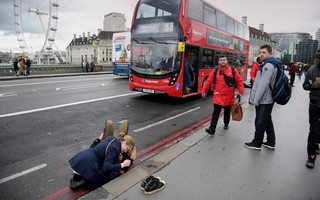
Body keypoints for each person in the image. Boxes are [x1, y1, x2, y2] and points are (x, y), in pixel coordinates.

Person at [69, 120, 135, 189]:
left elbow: (93, 150)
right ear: (124, 143)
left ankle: (121, 124)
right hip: (109, 154)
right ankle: (122, 124)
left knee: (111, 127)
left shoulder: (111, 139)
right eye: (127, 149)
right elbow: (106, 167)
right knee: (105, 176)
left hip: (94, 154)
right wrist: (123, 164)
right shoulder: (115, 149)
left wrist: (98, 141)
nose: (125, 151)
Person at [245, 44, 281, 150]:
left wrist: (255, 100)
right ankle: (271, 141)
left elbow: (262, 85)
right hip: (268, 98)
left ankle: (256, 143)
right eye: (260, 52)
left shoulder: (268, 66)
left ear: (270, 53)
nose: (261, 54)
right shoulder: (272, 64)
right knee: (267, 120)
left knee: (260, 122)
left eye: (264, 52)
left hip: (264, 99)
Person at [201, 55, 244, 135]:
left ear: (227, 61)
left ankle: (226, 123)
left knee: (227, 112)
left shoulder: (233, 71)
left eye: (224, 60)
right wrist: (203, 90)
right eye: (221, 60)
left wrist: (241, 92)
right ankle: (212, 129)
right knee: (215, 113)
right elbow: (208, 82)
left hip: (229, 96)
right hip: (218, 96)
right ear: (218, 62)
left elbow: (239, 82)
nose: (222, 61)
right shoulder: (215, 71)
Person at [302, 50, 320, 169]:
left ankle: (317, 144)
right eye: (316, 57)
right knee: (313, 130)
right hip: (314, 104)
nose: (317, 59)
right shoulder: (311, 71)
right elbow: (305, 86)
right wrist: (312, 86)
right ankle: (311, 157)